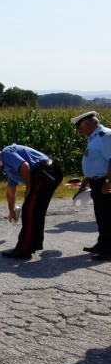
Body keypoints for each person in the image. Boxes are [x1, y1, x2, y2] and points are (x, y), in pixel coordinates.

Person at [0, 144, 63, 259]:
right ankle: (34, 244)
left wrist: (29, 187)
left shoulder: (6, 153)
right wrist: (11, 211)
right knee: (36, 210)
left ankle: (24, 249)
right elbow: (10, 192)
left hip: (45, 173)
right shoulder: (9, 167)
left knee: (29, 211)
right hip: (47, 173)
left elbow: (24, 165)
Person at [71, 111, 111, 261]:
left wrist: (108, 182)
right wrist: (88, 177)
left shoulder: (105, 136)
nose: (80, 132)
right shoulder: (94, 137)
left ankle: (109, 250)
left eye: (80, 128)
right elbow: (96, 160)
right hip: (96, 181)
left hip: (104, 181)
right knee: (101, 216)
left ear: (87, 125)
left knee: (107, 216)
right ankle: (102, 244)